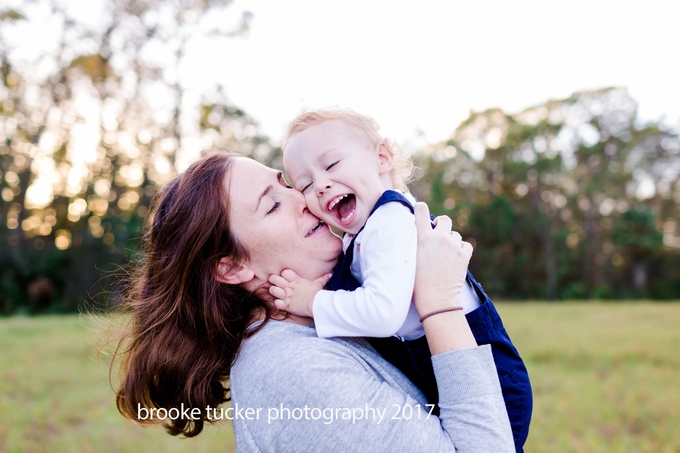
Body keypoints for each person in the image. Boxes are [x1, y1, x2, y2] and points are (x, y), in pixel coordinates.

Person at [112, 152, 514, 452]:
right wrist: (441, 305)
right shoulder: (296, 374)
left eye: (287, 184)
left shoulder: (332, 313)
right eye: (272, 204)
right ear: (232, 267)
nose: (305, 199)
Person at [269, 109, 531, 452]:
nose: (320, 186)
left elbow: (383, 313)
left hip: (488, 378)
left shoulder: (389, 222)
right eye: (304, 184)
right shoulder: (361, 234)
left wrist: (310, 301)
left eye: (331, 165)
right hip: (440, 367)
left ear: (381, 158)